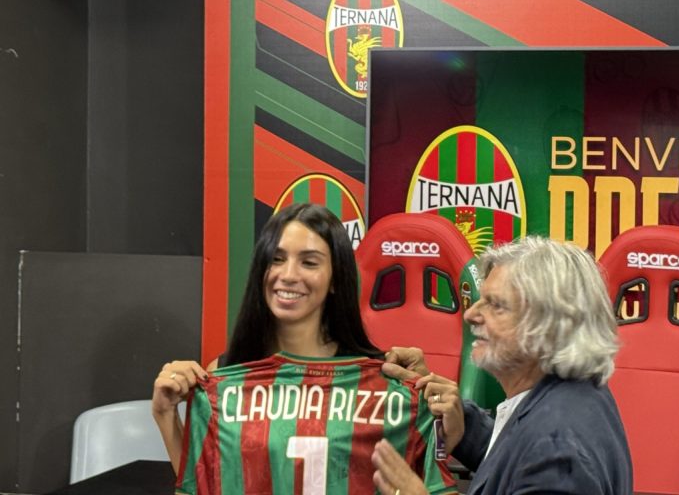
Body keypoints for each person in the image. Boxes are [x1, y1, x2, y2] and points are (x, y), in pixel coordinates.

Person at [372, 238, 632, 495]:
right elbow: (518, 460)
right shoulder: (574, 395)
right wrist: (463, 428)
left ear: (547, 326)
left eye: (495, 305)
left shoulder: (557, 454)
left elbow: (538, 458)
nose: (470, 314)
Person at [150, 202, 382, 471]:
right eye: (276, 259)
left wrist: (443, 430)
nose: (288, 275)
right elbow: (206, 483)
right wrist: (165, 415)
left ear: (335, 279)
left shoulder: (374, 380)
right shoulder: (225, 373)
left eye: (309, 262)